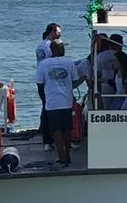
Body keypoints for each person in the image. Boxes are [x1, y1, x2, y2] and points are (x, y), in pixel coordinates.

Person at [35, 40, 88, 167]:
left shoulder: (44, 64)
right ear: (61, 49)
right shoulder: (69, 62)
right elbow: (74, 82)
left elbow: (40, 83)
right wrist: (83, 78)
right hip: (67, 101)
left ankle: (61, 156)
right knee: (67, 128)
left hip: (52, 101)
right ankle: (67, 154)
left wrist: (44, 99)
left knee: (56, 130)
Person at [35, 23, 61, 151]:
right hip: (47, 81)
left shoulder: (40, 46)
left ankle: (47, 137)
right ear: (52, 31)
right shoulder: (49, 46)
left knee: (45, 108)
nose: (60, 34)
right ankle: (49, 139)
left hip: (41, 79)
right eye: (58, 32)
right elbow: (52, 62)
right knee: (49, 109)